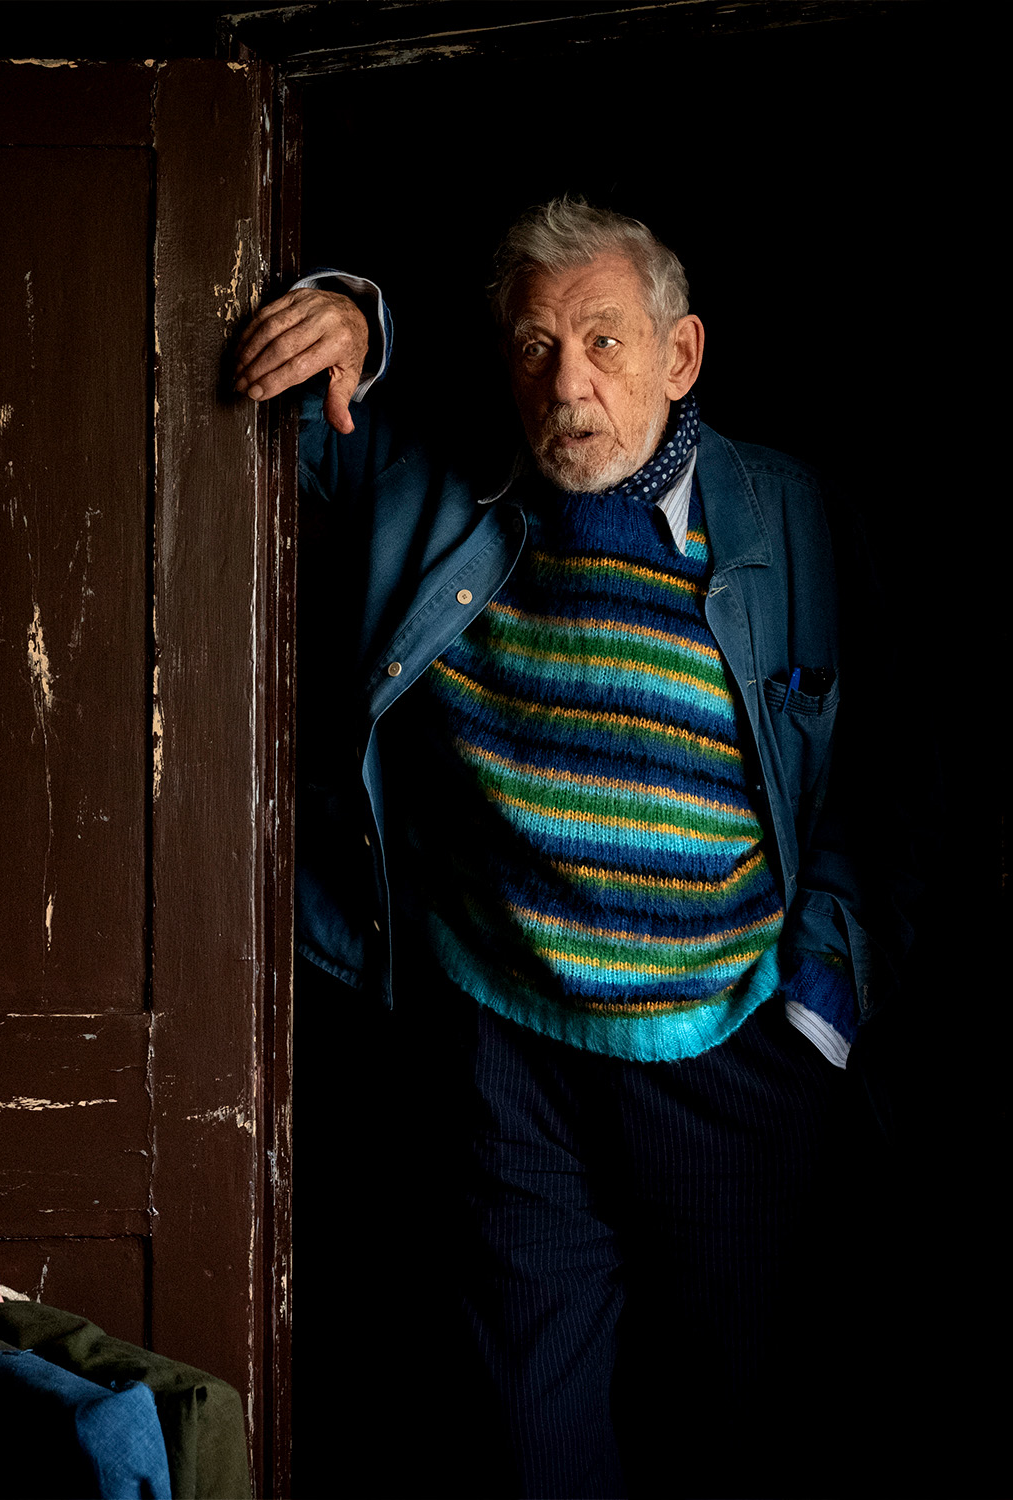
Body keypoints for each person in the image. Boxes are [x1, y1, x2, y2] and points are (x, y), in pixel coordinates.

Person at [236, 197, 905, 1496]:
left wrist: (820, 1002)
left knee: (730, 1420)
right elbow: (290, 419)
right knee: (529, 1439)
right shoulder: (441, 483)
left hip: (733, 1045)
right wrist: (354, 316)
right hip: (510, 1052)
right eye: (537, 347)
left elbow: (891, 786)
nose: (570, 383)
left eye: (605, 341)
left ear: (682, 355)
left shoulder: (790, 518)